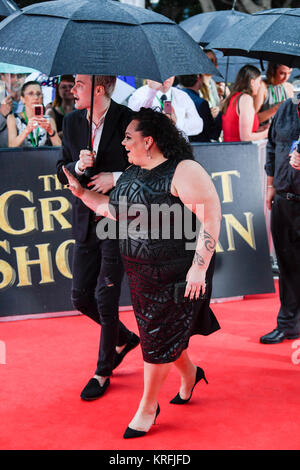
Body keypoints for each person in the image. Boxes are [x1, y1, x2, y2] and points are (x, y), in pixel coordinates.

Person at [62, 107, 221, 438]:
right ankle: (190, 374)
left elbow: (210, 219)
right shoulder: (132, 172)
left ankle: (148, 406)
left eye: (128, 138)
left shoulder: (184, 170)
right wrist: (82, 195)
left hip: (180, 272)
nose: (123, 143)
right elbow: (114, 211)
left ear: (148, 141)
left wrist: (198, 269)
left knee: (156, 339)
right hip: (142, 275)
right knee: (158, 336)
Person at [56, 74, 139, 400]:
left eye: (79, 83)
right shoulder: (73, 121)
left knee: (106, 297)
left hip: (117, 218)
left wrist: (114, 177)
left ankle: (103, 370)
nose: (72, 89)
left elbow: (148, 165)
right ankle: (124, 339)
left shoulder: (127, 120)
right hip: (85, 218)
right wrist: (78, 165)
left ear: (98, 88)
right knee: (81, 297)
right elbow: (60, 165)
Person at [260, 97, 300, 344]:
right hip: (284, 197)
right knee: (287, 265)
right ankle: (288, 324)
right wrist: (270, 185)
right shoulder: (286, 108)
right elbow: (273, 146)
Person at [127, 76, 203, 139]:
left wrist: (177, 123)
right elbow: (133, 123)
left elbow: (198, 126)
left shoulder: (182, 96)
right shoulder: (139, 95)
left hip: (177, 147)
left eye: (170, 74)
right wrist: (151, 92)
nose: (167, 78)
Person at [222, 65, 269, 142]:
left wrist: (261, 130)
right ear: (252, 82)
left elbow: (236, 130)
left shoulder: (233, 97)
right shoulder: (246, 99)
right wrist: (267, 133)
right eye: (259, 82)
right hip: (240, 151)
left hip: (228, 149)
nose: (260, 85)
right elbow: (246, 137)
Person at [7, 81, 61, 147]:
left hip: (44, 156)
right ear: (22, 99)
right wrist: (27, 130)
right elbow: (12, 146)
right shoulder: (13, 118)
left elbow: (59, 147)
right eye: (31, 93)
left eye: (38, 94)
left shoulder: (48, 120)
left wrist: (51, 131)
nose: (36, 97)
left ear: (42, 98)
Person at [178, 74, 222, 142]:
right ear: (198, 77)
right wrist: (221, 112)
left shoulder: (175, 98)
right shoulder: (201, 103)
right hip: (199, 146)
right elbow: (213, 134)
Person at [0, 72, 27, 147]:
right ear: (2, 77)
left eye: (19, 75)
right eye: (12, 76)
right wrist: (1, 115)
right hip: (4, 154)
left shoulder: (31, 99)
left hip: (29, 152)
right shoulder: (0, 97)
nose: (16, 79)